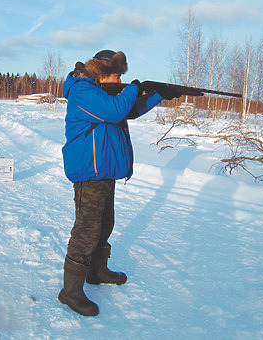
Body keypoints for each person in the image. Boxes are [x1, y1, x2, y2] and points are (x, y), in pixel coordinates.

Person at [58, 50, 180, 316]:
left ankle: (97, 271)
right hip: (89, 173)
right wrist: (136, 88)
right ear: (101, 72)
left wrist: (159, 94)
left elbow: (129, 111)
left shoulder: (102, 93)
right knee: (86, 230)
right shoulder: (82, 91)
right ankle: (70, 292)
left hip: (106, 171)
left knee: (105, 224)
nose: (120, 80)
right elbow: (114, 111)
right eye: (116, 75)